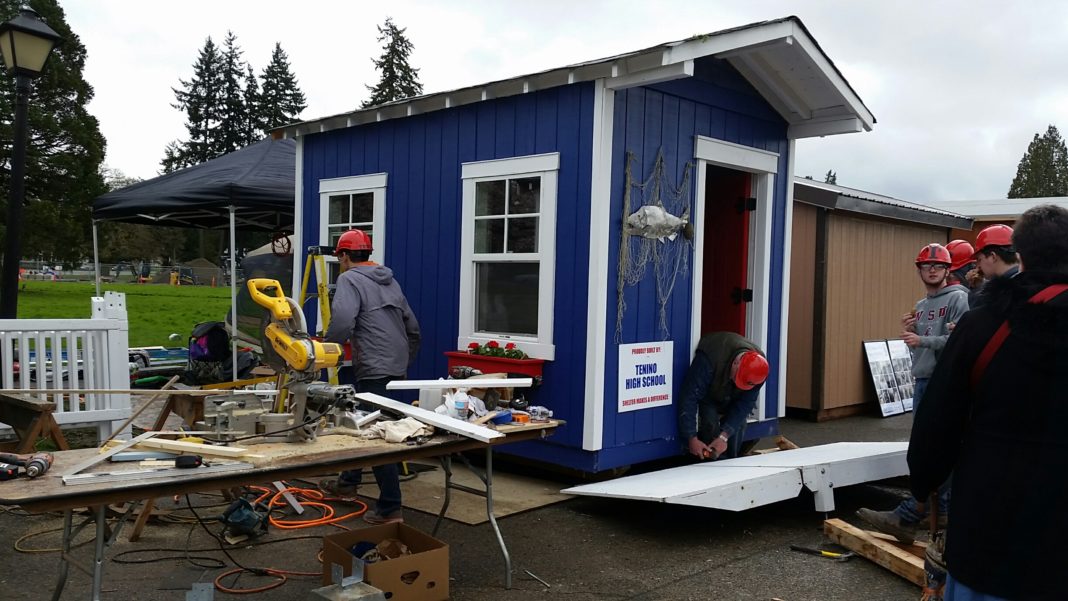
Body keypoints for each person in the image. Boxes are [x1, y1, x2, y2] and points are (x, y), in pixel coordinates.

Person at [907, 204, 1068, 600]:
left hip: (989, 531)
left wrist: (923, 481)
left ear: (1022, 255)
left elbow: (936, 424)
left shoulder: (983, 324)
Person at [858, 243, 968, 543]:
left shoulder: (959, 298)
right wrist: (913, 331)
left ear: (948, 270)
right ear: (919, 270)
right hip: (922, 380)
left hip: (943, 382)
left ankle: (909, 514)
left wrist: (923, 341)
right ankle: (941, 510)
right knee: (925, 447)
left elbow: (960, 341)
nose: (931, 270)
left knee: (932, 450)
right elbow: (929, 338)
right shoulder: (920, 306)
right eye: (926, 266)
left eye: (937, 266)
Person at [321, 229, 421, 525]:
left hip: (375, 365)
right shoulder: (389, 279)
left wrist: (327, 347)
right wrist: (404, 359)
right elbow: (412, 326)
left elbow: (342, 319)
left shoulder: (349, 278)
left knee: (376, 435)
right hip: (395, 362)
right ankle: (348, 481)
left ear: (344, 255)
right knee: (364, 423)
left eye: (339, 256)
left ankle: (391, 507)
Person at [677, 332, 769, 460]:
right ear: (735, 363)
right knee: (710, 422)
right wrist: (691, 438)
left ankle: (729, 462)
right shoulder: (709, 358)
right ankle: (707, 460)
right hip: (709, 393)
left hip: (732, 395)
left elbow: (745, 404)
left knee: (738, 425)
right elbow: (689, 397)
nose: (737, 384)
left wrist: (724, 437)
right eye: (737, 378)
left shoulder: (759, 371)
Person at [968, 224, 1019, 309]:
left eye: (979, 260)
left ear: (993, 257)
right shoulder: (1029, 281)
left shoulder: (1002, 292)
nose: (978, 266)